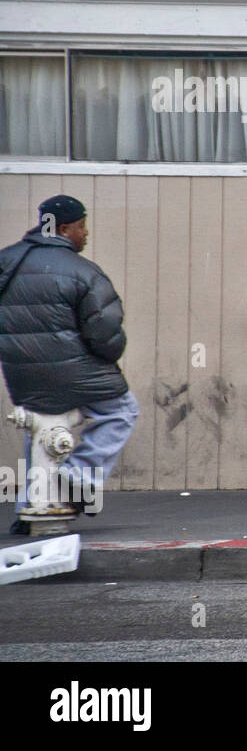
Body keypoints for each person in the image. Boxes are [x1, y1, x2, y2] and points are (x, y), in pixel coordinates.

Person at [0, 195, 139, 534]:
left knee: (41, 426)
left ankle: (29, 509)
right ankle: (75, 480)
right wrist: (111, 354)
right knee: (121, 411)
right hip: (76, 371)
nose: (85, 233)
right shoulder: (82, 271)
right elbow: (105, 335)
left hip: (22, 373)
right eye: (81, 226)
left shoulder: (7, 261)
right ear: (63, 229)